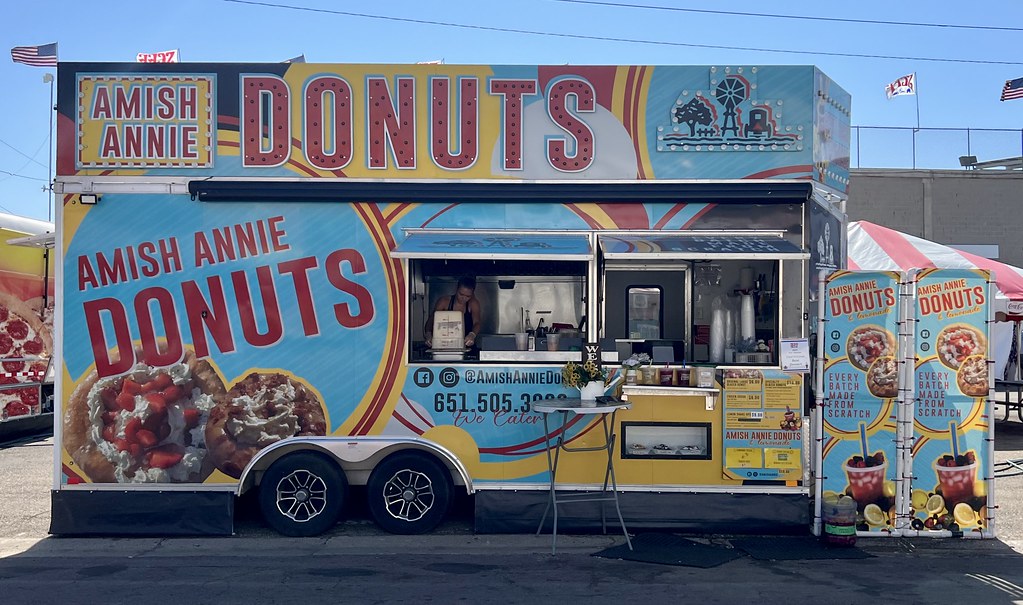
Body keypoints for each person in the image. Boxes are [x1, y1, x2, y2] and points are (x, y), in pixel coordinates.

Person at [425, 276, 483, 348]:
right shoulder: (444, 301)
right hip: (443, 346)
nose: (463, 298)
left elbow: (477, 323)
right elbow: (431, 320)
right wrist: (428, 334)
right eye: (461, 294)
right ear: (456, 289)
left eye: (468, 296)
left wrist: (472, 335)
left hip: (466, 346)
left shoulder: (473, 304)